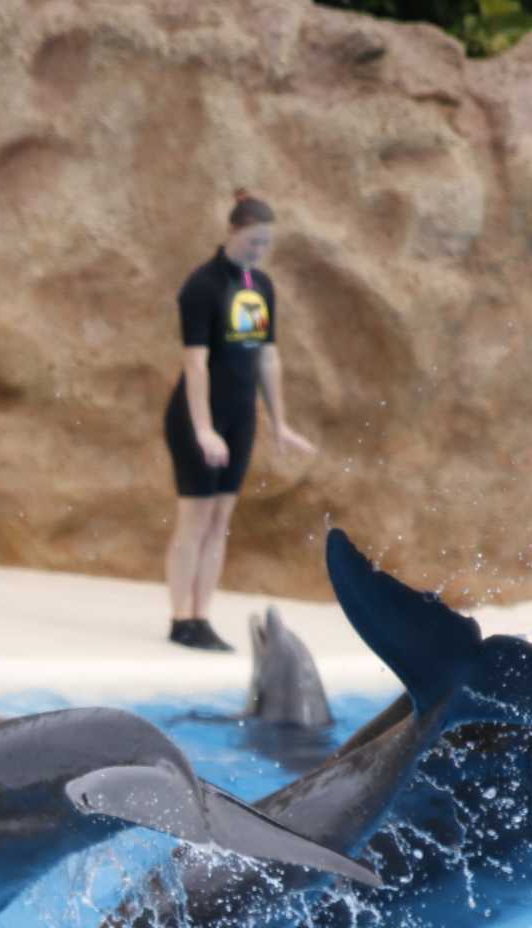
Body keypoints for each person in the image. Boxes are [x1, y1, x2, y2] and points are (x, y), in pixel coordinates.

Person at [160, 192, 316, 653]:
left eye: (265, 244)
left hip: (240, 417)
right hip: (197, 416)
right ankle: (181, 619)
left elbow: (267, 357)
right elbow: (195, 364)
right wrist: (203, 429)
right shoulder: (202, 286)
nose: (258, 251)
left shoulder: (261, 286)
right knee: (195, 518)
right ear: (232, 231)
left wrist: (279, 422)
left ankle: (202, 614)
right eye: (252, 242)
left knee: (220, 519)